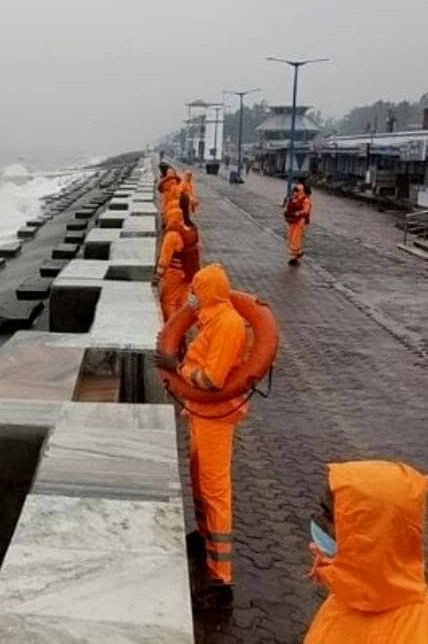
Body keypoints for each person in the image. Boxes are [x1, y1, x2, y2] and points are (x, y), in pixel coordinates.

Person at [155, 264, 249, 609]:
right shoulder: (213, 318)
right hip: (199, 414)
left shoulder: (228, 325)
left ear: (207, 290)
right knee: (198, 479)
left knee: (215, 489)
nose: (192, 295)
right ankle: (204, 533)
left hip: (215, 418)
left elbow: (211, 379)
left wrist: (180, 370)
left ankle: (221, 578)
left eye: (197, 289)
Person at [306, 460, 428, 643]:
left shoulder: (427, 636)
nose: (320, 527)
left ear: (367, 535)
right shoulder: (350, 597)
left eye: (329, 518)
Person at [155, 205, 192, 321]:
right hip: (188, 272)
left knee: (167, 301)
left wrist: (157, 277)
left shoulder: (172, 235)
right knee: (181, 302)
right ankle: (181, 332)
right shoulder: (189, 231)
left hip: (175, 273)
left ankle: (172, 330)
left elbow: (164, 259)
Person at [284, 181, 312, 265]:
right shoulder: (292, 199)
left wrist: (298, 213)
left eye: (297, 191)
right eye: (294, 190)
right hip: (291, 221)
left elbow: (306, 211)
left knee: (296, 238)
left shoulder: (305, 200)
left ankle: (294, 257)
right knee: (291, 237)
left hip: (300, 222)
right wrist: (286, 211)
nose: (295, 192)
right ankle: (298, 252)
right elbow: (287, 207)